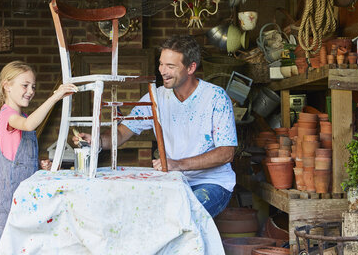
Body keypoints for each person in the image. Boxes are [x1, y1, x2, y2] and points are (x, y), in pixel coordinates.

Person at [75, 35, 237, 217]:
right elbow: (120, 134)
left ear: (191, 67)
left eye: (171, 66)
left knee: (185, 215)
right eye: (161, 64)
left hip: (213, 183)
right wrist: (96, 140)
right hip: (174, 181)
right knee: (144, 214)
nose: (163, 71)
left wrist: (177, 164)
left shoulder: (216, 97)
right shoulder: (155, 98)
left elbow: (226, 153)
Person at [0, 61, 77, 244]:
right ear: (7, 86)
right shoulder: (7, 115)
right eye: (25, 85)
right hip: (9, 197)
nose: (30, 91)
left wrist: (37, 164)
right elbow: (29, 124)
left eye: (33, 86)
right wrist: (55, 97)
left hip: (23, 196)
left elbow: (15, 156)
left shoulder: (20, 117)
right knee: (11, 246)